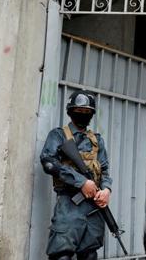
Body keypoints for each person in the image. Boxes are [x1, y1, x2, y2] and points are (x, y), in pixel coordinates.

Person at [40, 90, 112, 260]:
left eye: (87, 112)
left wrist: (107, 190)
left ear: (92, 114)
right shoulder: (58, 135)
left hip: (94, 206)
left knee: (89, 254)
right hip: (69, 204)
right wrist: (81, 182)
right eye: (79, 111)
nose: (82, 115)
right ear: (70, 112)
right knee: (61, 254)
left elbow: (104, 169)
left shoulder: (97, 140)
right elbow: (48, 162)